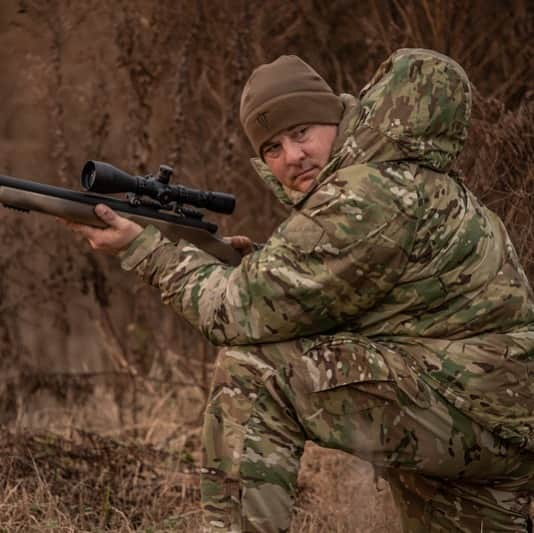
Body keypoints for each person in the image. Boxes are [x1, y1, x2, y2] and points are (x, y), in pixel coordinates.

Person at [67, 49, 534, 532]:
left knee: (256, 372)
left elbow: (234, 310)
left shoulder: (367, 193)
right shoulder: (406, 177)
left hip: (473, 411)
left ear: (336, 118)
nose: (291, 156)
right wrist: (263, 264)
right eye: (272, 148)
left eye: (301, 132)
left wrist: (144, 249)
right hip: (495, 416)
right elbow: (364, 295)